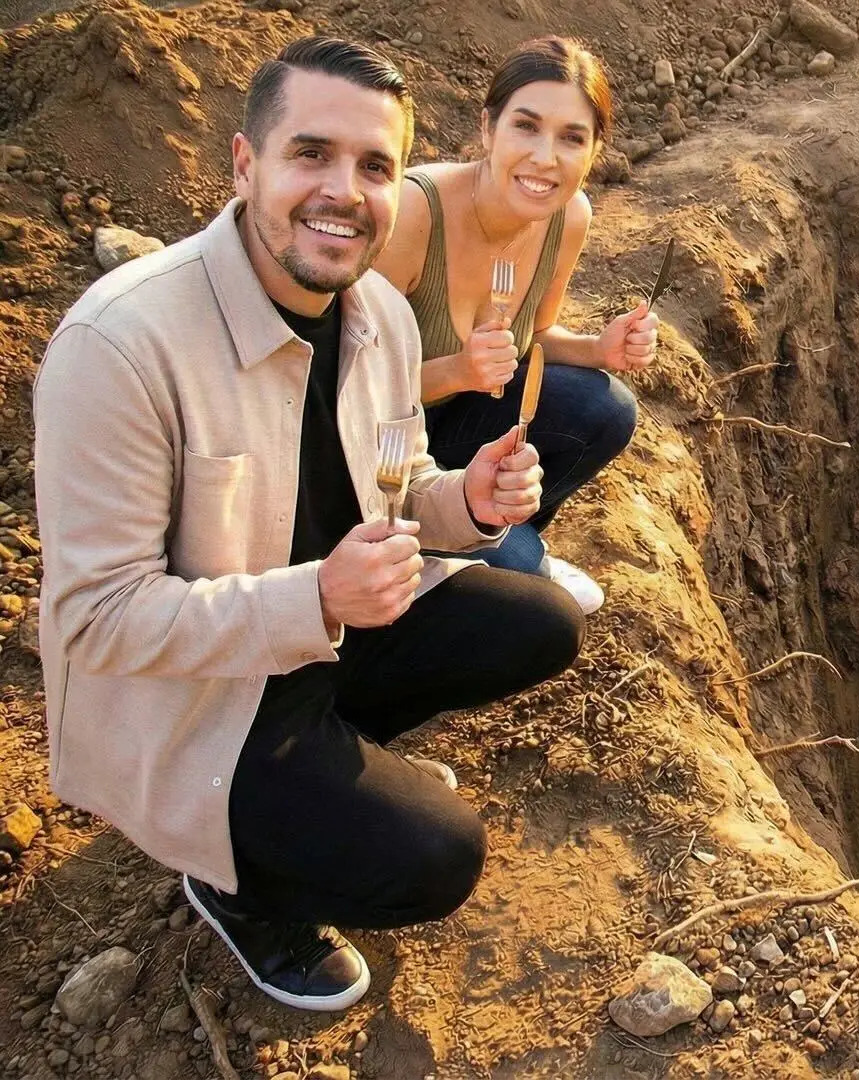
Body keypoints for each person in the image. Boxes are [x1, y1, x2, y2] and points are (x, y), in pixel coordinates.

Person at [34, 37, 585, 1012]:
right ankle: (240, 889)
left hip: (321, 636)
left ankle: (320, 772)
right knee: (437, 856)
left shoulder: (376, 313)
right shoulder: (121, 343)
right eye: (311, 154)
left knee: (540, 621)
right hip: (198, 698)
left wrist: (466, 500)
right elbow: (95, 618)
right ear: (245, 164)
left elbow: (398, 481)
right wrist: (318, 596)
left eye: (374, 166)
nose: (344, 191)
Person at [373, 35, 657, 617]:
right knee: (524, 573)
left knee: (606, 408)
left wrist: (599, 348)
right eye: (526, 126)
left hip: (459, 422)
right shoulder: (415, 214)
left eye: (571, 138)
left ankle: (491, 537)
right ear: (488, 128)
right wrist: (458, 369)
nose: (545, 158)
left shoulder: (566, 216)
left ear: (595, 151)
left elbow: (535, 339)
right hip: (383, 443)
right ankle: (466, 548)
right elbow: (341, 388)